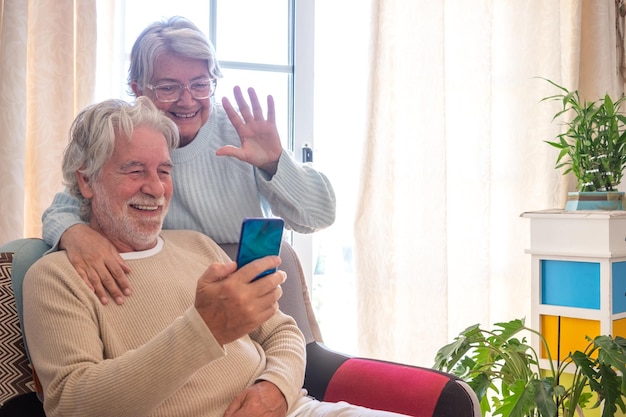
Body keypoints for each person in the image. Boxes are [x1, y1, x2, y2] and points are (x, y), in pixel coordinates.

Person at [23, 98, 406, 417]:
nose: (155, 188)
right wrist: (203, 329)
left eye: (164, 170)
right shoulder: (56, 276)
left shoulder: (197, 245)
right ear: (87, 181)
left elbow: (283, 332)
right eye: (135, 170)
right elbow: (72, 404)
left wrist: (274, 390)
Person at [41, 16, 336, 305]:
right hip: (167, 289)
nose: (187, 100)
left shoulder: (239, 131)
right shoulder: (125, 136)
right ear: (137, 89)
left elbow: (320, 215)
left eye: (200, 85)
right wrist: (74, 233)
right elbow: (64, 206)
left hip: (245, 284)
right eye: (169, 88)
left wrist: (274, 162)